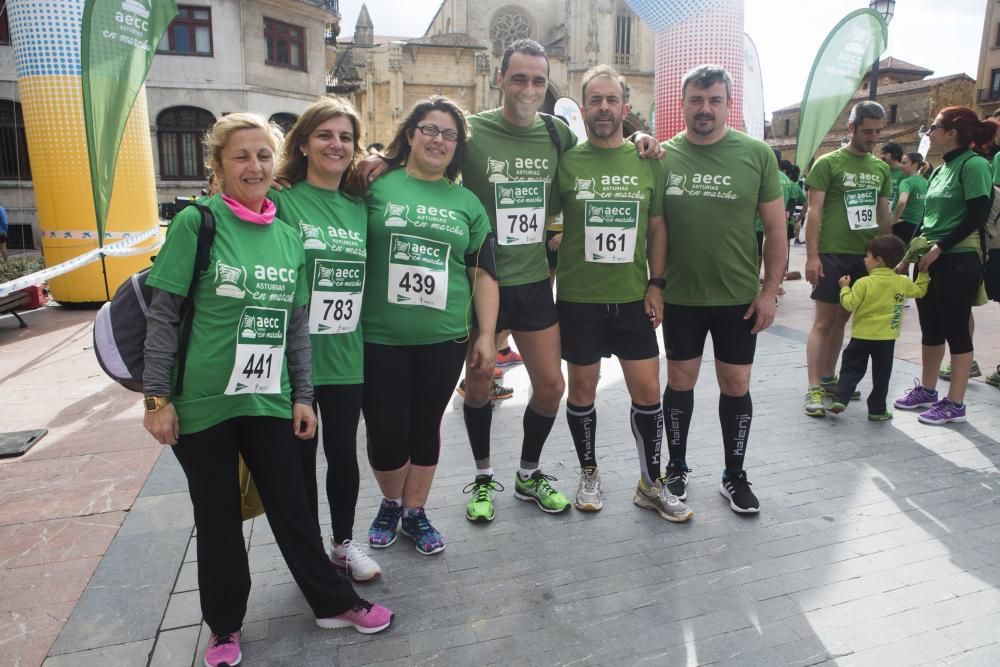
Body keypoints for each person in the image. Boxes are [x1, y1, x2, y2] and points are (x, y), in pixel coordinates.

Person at [355, 38, 662, 523]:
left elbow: (599, 155)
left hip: (535, 281)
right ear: (500, 79)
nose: (528, 88)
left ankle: (528, 472)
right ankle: (481, 478)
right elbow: (430, 153)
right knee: (479, 383)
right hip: (481, 283)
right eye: (518, 78)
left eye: (538, 80)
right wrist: (384, 161)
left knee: (549, 387)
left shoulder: (557, 133)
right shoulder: (472, 132)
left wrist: (641, 141)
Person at [142, 113, 393, 667]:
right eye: (241, 156)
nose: (253, 166)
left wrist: (303, 395)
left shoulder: (285, 235)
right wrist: (157, 399)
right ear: (219, 165)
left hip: (269, 398)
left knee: (293, 508)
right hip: (203, 403)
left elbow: (296, 326)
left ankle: (334, 602)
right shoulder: (198, 223)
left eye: (262, 156)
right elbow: (164, 317)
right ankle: (225, 627)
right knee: (218, 517)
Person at [550, 64, 690, 521]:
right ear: (584, 107)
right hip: (579, 299)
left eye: (612, 100)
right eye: (596, 100)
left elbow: (657, 228)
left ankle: (651, 482)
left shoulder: (648, 159)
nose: (604, 108)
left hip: (632, 298)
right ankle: (589, 472)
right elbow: (544, 216)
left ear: (625, 108)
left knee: (648, 393)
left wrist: (656, 282)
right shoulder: (566, 161)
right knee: (583, 391)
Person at [361, 96, 500, 553]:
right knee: (385, 430)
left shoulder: (467, 203)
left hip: (444, 338)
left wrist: (485, 334)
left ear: (458, 146)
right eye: (430, 129)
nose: (438, 140)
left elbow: (483, 273)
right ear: (410, 133)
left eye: (449, 134)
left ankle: (414, 512)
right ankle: (390, 500)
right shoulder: (374, 187)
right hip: (379, 336)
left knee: (425, 426)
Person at [659, 65, 784, 515]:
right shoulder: (663, 156)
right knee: (679, 381)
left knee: (735, 383)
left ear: (728, 104)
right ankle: (676, 468)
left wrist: (770, 290)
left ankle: (734, 474)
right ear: (682, 104)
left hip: (737, 298)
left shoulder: (756, 155)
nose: (705, 108)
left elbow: (775, 228)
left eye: (714, 100)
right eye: (696, 99)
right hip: (681, 297)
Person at [268, 97, 382, 582]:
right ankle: (309, 552)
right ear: (304, 143)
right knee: (299, 463)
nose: (336, 144)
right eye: (325, 135)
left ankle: (342, 543)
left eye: (345, 137)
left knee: (343, 455)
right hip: (294, 360)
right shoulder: (282, 199)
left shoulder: (360, 203)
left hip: (346, 354)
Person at [892, 106, 996, 424]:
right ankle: (927, 389)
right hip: (930, 256)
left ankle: (956, 403)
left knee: (955, 329)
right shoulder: (938, 168)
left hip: (958, 258)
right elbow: (927, 219)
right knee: (931, 328)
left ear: (951, 132)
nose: (929, 133)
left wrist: (941, 247)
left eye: (933, 127)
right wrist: (908, 255)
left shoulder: (975, 165)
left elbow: (977, 215)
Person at [803, 101, 893, 418]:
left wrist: (890, 255)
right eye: (867, 131)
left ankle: (829, 377)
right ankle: (814, 386)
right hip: (832, 254)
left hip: (867, 257)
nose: (872, 137)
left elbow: (883, 213)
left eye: (878, 132)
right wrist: (812, 255)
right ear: (851, 128)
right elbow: (813, 212)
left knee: (842, 320)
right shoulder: (829, 164)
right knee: (823, 322)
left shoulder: (881, 168)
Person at [829, 235, 929, 420]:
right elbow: (920, 291)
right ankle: (877, 410)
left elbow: (849, 304)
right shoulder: (902, 281)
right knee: (882, 376)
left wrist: (844, 287)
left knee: (851, 368)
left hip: (861, 337)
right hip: (887, 339)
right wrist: (923, 273)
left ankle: (841, 399)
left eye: (867, 256)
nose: (864, 260)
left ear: (878, 260)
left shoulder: (863, 283)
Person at [891, 151, 928, 244]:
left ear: (914, 164)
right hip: (919, 226)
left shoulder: (907, 182)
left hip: (903, 225)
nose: (901, 166)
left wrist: (894, 219)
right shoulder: (926, 182)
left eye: (904, 163)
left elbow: (902, 201)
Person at [881, 142, 905, 211]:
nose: (882, 156)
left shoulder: (905, 171)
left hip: (899, 215)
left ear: (895, 153)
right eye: (882, 153)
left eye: (885, 153)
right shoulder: (882, 170)